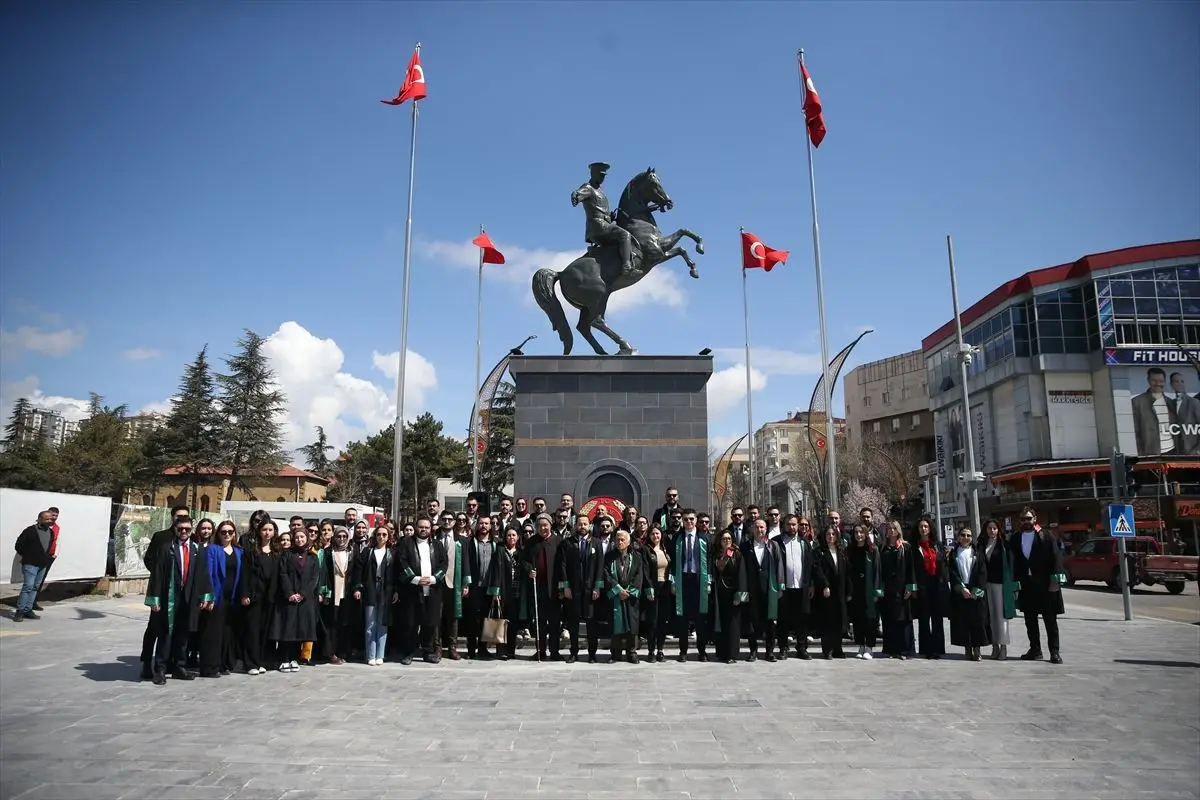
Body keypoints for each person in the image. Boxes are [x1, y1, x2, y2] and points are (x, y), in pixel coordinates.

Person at [144, 516, 213, 685]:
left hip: (188, 598)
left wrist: (206, 595)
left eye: (187, 529)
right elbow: (157, 574)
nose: (184, 532)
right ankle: (160, 669)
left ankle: (179, 667)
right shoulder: (166, 548)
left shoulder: (197, 549)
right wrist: (155, 599)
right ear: (175, 528)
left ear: (191, 530)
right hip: (169, 597)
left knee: (183, 634)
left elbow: (203, 574)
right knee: (165, 634)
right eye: (181, 528)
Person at [1011, 508, 1065, 664]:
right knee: (1030, 619)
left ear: (1035, 518)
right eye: (1023, 519)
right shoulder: (1016, 537)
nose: (1026, 522)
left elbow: (1056, 558)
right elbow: (1013, 561)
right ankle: (1035, 650)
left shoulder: (1046, 535)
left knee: (1050, 620)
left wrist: (1055, 581)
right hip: (1026, 585)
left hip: (1045, 585)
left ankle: (1054, 652)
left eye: (1028, 518)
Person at [397, 517, 448, 665]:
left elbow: (444, 564)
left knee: (430, 622)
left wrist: (433, 578)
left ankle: (428, 652)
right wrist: (415, 579)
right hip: (412, 589)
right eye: (421, 527)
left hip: (432, 589)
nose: (423, 529)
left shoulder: (437, 545)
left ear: (430, 528)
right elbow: (402, 562)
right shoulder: (406, 544)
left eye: (426, 527)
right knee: (411, 623)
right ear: (416, 528)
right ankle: (408, 653)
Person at [571, 161, 634, 274]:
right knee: (625, 235)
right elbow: (579, 193)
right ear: (593, 174)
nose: (602, 178)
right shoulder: (588, 188)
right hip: (597, 226)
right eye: (600, 174)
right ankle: (626, 265)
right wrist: (576, 195)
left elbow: (599, 208)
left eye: (603, 176)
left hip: (604, 224)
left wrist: (610, 216)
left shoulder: (600, 191)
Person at [199, 520, 242, 677]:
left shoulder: (238, 552)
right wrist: (208, 596)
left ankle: (224, 663)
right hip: (216, 597)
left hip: (231, 598)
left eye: (230, 532)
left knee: (227, 632)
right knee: (212, 633)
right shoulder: (212, 550)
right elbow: (208, 574)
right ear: (218, 534)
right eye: (223, 532)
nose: (227, 535)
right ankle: (209, 667)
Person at [351, 526, 396, 666]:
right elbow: (358, 570)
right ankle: (371, 654)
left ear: (388, 537)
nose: (381, 537)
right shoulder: (368, 552)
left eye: (384, 534)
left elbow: (396, 574)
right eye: (379, 534)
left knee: (383, 623)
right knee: (370, 624)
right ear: (375, 536)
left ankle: (380, 654)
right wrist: (357, 587)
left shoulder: (392, 553)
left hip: (386, 591)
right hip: (370, 589)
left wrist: (396, 591)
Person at [741, 518, 784, 662]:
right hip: (751, 589)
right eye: (757, 527)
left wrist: (779, 587)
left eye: (762, 527)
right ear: (752, 529)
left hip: (769, 588)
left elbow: (779, 567)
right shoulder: (745, 546)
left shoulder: (773, 546)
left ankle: (770, 651)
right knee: (751, 621)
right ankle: (753, 650)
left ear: (766, 529)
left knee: (770, 621)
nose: (760, 530)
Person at [774, 514, 815, 660]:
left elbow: (810, 565)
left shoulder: (804, 542)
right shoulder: (776, 542)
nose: (791, 527)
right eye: (788, 524)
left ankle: (802, 647)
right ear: (783, 525)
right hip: (783, 588)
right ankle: (783, 648)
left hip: (801, 587)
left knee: (802, 620)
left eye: (794, 524)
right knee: (783, 619)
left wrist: (810, 584)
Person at [603, 529, 645, 663]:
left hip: (630, 596)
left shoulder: (637, 556)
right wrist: (618, 590)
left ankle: (631, 652)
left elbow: (639, 575)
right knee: (616, 624)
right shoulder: (609, 556)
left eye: (622, 540)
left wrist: (629, 592)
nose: (619, 542)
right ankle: (615, 653)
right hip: (616, 595)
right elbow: (606, 575)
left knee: (632, 625)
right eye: (617, 540)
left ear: (628, 542)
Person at [948, 526, 989, 661]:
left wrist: (976, 590)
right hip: (962, 591)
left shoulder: (978, 552)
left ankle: (977, 649)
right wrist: (961, 588)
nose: (966, 538)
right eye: (963, 535)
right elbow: (952, 573)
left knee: (978, 621)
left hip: (975, 591)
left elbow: (982, 572)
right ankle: (967, 648)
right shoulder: (953, 554)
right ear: (958, 537)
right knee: (963, 621)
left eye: (969, 535)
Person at [912, 519, 949, 660]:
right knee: (924, 617)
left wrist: (945, 583)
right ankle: (926, 648)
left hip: (937, 584)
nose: (923, 529)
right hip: (923, 585)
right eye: (921, 526)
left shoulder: (937, 545)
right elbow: (913, 569)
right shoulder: (915, 547)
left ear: (930, 528)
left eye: (926, 526)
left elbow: (943, 565)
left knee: (937, 618)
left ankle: (938, 648)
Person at [879, 521, 916, 659]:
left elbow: (911, 568)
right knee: (889, 619)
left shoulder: (905, 547)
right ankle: (891, 649)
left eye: (894, 528)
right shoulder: (882, 548)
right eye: (889, 529)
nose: (892, 531)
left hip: (902, 588)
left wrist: (910, 587)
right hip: (888, 589)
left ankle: (905, 649)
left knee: (904, 619)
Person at [812, 525, 850, 659]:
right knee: (827, 621)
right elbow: (818, 571)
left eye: (833, 534)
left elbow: (847, 572)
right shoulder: (819, 552)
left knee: (839, 621)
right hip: (827, 591)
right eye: (828, 534)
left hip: (840, 590)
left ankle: (838, 648)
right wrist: (825, 585)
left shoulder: (841, 551)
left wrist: (849, 591)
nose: (831, 537)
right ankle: (827, 649)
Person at [980, 519, 1016, 660]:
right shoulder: (982, 544)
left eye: (995, 528)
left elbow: (1011, 566)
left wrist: (1013, 586)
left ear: (998, 530)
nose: (992, 531)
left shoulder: (1004, 545)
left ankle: (1003, 647)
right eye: (990, 528)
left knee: (1001, 617)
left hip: (1001, 585)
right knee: (990, 617)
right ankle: (994, 646)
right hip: (987, 585)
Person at [709, 530, 746, 664]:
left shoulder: (737, 554)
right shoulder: (715, 555)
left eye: (729, 539)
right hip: (719, 594)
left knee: (733, 625)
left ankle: (732, 654)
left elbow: (741, 575)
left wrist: (740, 595)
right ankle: (721, 652)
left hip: (733, 593)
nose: (727, 541)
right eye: (724, 539)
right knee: (721, 623)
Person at [13, 511, 55, 622]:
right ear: (40, 519)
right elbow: (18, 545)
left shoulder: (51, 532)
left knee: (35, 587)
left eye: (51, 519)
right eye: (47, 519)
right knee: (28, 586)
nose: (50, 521)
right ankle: (20, 611)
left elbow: (48, 547)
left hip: (42, 564)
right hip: (30, 564)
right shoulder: (30, 531)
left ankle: (28, 610)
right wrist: (28, 555)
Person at [847, 524, 882, 659]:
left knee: (870, 619)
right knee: (858, 619)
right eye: (856, 533)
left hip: (869, 589)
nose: (859, 535)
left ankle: (869, 646)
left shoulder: (873, 550)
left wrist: (876, 591)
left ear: (866, 534)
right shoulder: (851, 551)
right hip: (856, 590)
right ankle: (861, 644)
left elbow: (877, 571)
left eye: (861, 532)